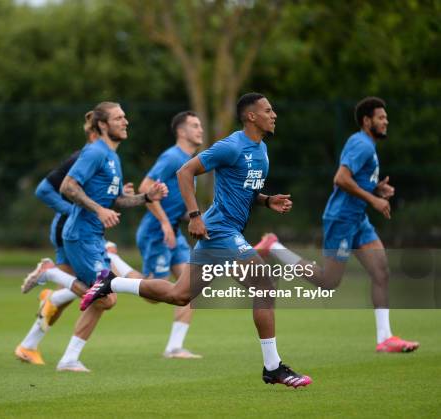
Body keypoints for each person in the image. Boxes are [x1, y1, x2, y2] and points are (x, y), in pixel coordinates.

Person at [81, 93, 312, 388]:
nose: (274, 114)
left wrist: (267, 201)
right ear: (251, 116)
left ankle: (111, 282)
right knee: (264, 283)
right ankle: (273, 367)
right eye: (268, 110)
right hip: (220, 230)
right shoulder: (231, 146)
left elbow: (245, 190)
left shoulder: (262, 150)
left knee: (180, 295)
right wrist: (194, 215)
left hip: (226, 231)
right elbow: (184, 171)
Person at [254, 97, 419, 353]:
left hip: (358, 219)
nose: (386, 121)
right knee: (328, 281)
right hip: (341, 219)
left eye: (386, 117)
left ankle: (385, 338)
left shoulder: (367, 146)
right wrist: (374, 199)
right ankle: (274, 246)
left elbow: (355, 179)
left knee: (381, 271)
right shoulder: (361, 144)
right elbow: (341, 178)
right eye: (381, 117)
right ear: (367, 121)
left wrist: (376, 188)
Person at [15, 112, 140, 366]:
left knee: (76, 292)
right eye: (117, 120)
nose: (123, 124)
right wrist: (76, 209)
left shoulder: (106, 157)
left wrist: (115, 194)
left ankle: (29, 345)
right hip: (73, 228)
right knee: (98, 294)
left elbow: (102, 193)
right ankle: (50, 275)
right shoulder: (86, 156)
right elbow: (45, 190)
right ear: (99, 129)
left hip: (83, 228)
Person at [136, 111, 204, 359]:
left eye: (200, 126)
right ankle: (114, 265)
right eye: (195, 126)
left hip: (173, 231)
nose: (200, 130)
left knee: (190, 286)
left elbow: (181, 206)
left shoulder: (189, 161)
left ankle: (174, 347)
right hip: (156, 232)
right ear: (181, 131)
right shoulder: (172, 156)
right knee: (153, 297)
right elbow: (145, 188)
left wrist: (200, 220)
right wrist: (164, 223)